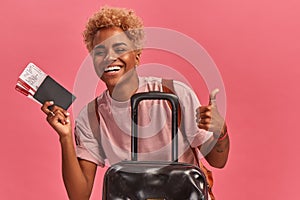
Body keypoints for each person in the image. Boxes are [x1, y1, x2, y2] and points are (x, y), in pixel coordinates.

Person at [41, 6, 230, 200]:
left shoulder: (174, 94)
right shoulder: (92, 116)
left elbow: (217, 161)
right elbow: (79, 196)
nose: (109, 57)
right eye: (100, 51)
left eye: (120, 48)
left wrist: (220, 132)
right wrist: (64, 138)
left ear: (137, 55)